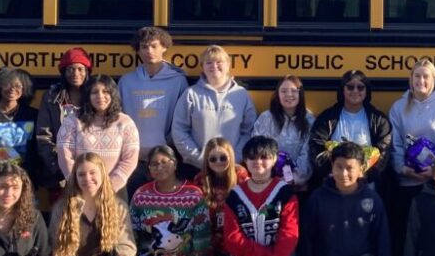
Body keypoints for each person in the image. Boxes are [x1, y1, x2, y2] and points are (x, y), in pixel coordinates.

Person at [388, 59, 435, 256]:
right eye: (417, 76)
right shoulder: (399, 107)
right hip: (407, 180)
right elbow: (395, 144)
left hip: (434, 181)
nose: (421, 81)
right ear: (411, 79)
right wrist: (402, 168)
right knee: (406, 232)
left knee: (431, 232)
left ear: (433, 80)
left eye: (426, 76)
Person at [222, 136, 299, 256]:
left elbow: (289, 234)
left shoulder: (285, 193)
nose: (258, 162)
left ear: (273, 159)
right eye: (252, 157)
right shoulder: (235, 196)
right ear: (245, 161)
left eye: (264, 157)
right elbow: (232, 238)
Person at [118, 26, 189, 196]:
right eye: (144, 46)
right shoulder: (126, 81)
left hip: (165, 159)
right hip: (134, 160)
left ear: (164, 47)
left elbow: (182, 119)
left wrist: (167, 144)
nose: (149, 51)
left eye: (154, 46)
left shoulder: (178, 81)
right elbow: (118, 118)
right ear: (138, 50)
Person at [171, 45, 257, 177]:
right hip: (198, 168)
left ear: (228, 65)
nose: (214, 66)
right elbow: (179, 130)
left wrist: (236, 157)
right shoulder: (191, 94)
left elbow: (249, 130)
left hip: (233, 169)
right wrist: (199, 159)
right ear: (203, 67)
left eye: (219, 62)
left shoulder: (241, 94)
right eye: (209, 62)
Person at [57, 74, 140, 200]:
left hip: (114, 192)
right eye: (94, 92)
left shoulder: (125, 122)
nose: (100, 96)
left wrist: (110, 187)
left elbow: (130, 159)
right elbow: (65, 156)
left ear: (113, 94)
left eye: (106, 91)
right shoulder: (72, 121)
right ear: (87, 96)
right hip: (80, 191)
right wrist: (79, 184)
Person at [309, 70, 393, 185]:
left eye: (360, 87)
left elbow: (383, 153)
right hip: (334, 182)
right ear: (342, 90)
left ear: (366, 91)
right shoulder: (327, 117)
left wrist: (364, 176)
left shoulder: (379, 120)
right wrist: (334, 173)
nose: (355, 91)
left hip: (367, 184)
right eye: (350, 87)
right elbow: (316, 147)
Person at [196, 138, 247, 256]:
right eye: (213, 159)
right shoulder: (200, 181)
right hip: (209, 238)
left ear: (231, 157)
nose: (218, 162)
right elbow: (201, 221)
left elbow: (243, 220)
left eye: (223, 157)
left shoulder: (241, 178)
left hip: (234, 239)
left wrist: (228, 252)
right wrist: (209, 254)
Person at [36, 47, 92, 195]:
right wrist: (58, 166)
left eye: (80, 69)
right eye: (70, 69)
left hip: (91, 173)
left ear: (87, 72)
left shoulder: (95, 95)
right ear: (63, 72)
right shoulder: (52, 98)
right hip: (59, 176)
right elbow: (43, 136)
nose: (75, 74)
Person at [251, 76, 316, 189]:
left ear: (300, 94)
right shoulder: (266, 118)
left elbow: (308, 154)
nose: (289, 95)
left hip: (298, 185)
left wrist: (293, 178)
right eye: (284, 91)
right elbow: (257, 148)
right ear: (278, 95)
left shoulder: (309, 120)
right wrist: (269, 176)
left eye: (293, 91)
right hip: (268, 183)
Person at [0, 66, 39, 180]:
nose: (12, 89)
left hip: (26, 180)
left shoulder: (34, 115)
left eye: (17, 86)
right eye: (7, 84)